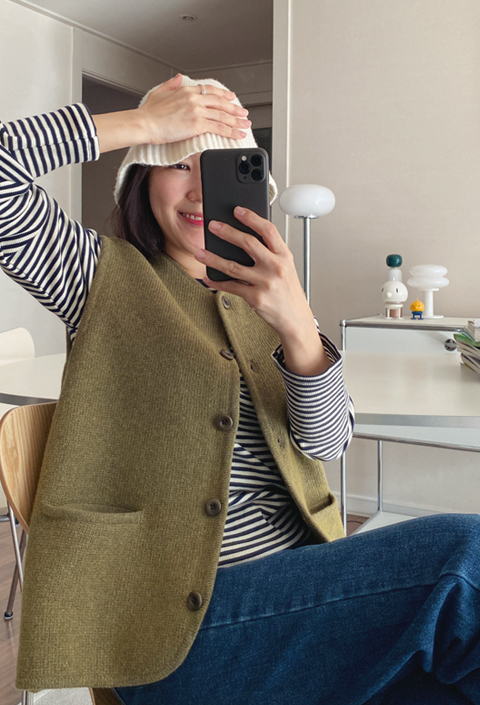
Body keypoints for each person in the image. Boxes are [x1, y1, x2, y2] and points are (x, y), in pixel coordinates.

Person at [0, 74, 479, 705]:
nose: (200, 189)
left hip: (304, 599)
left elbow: (327, 445)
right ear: (142, 177)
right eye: (177, 161)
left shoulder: (270, 296)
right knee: (467, 558)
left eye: (220, 167)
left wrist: (297, 325)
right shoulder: (97, 275)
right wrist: (144, 123)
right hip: (173, 630)